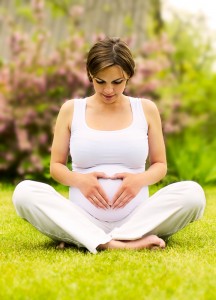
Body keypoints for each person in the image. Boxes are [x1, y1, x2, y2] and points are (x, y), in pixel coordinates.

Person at [12, 37, 206, 253]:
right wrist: (81, 181)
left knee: (193, 194)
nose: (108, 90)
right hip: (83, 218)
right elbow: (56, 166)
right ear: (89, 76)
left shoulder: (146, 109)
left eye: (117, 82)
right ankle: (115, 243)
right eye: (100, 81)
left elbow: (160, 165)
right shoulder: (71, 109)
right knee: (24, 192)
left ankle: (98, 238)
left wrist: (138, 181)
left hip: (138, 218)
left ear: (129, 76)